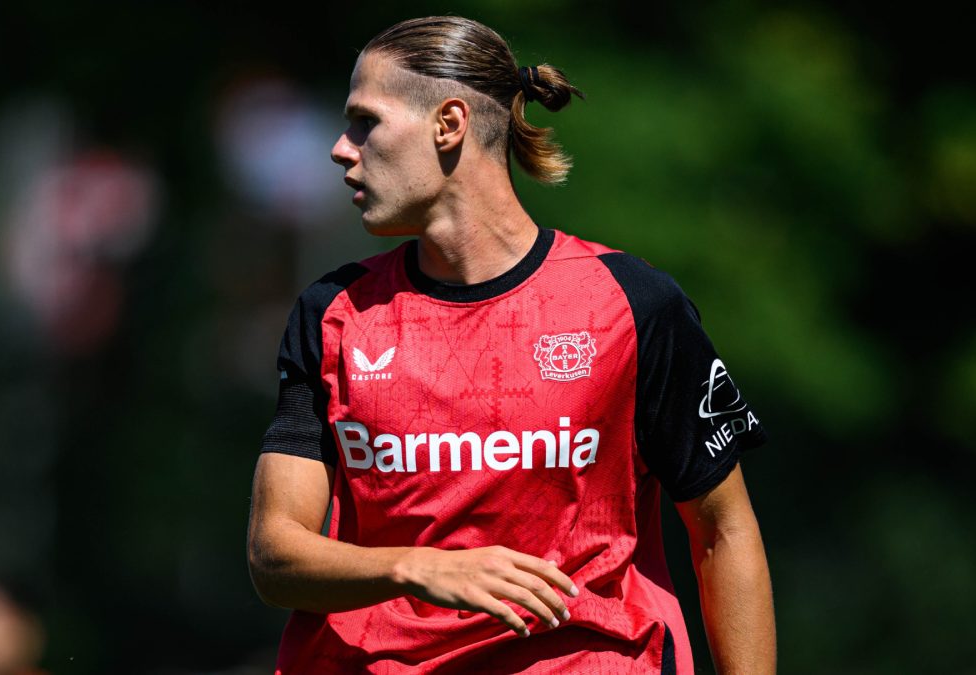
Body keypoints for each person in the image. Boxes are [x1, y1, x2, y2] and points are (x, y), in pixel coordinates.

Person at [248, 15, 775, 674]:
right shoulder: (334, 315)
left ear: (449, 124)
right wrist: (420, 569)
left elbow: (723, 530)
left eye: (365, 122)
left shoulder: (633, 304)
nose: (340, 148)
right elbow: (274, 555)